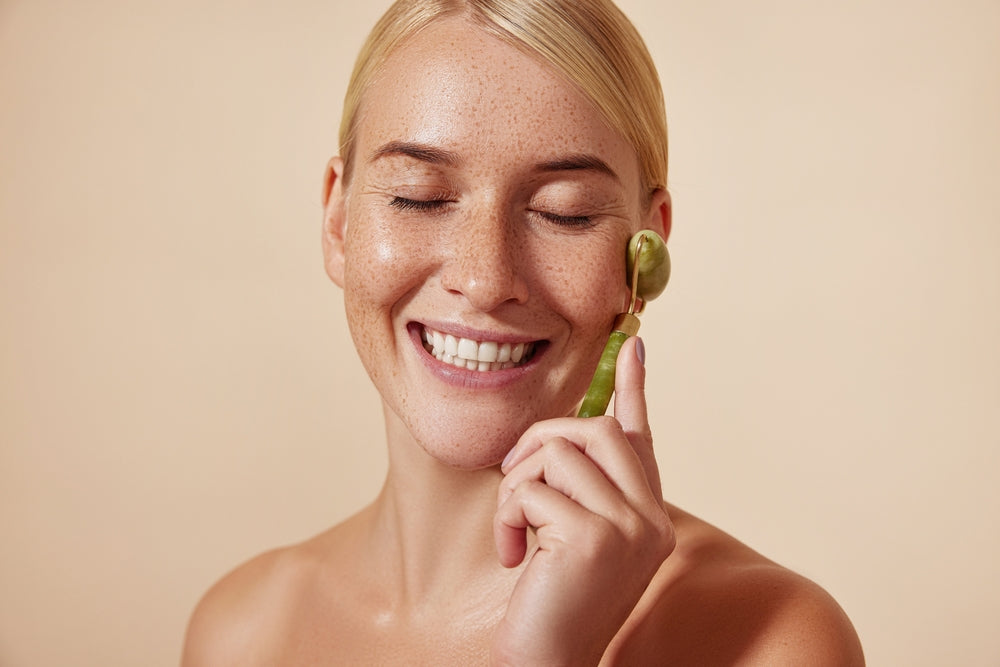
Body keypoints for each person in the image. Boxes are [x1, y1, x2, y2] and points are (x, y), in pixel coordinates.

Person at [182, 0, 865, 664]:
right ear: (338, 222)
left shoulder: (772, 642)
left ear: (644, 252)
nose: (484, 277)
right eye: (419, 196)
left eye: (563, 213)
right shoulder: (241, 632)